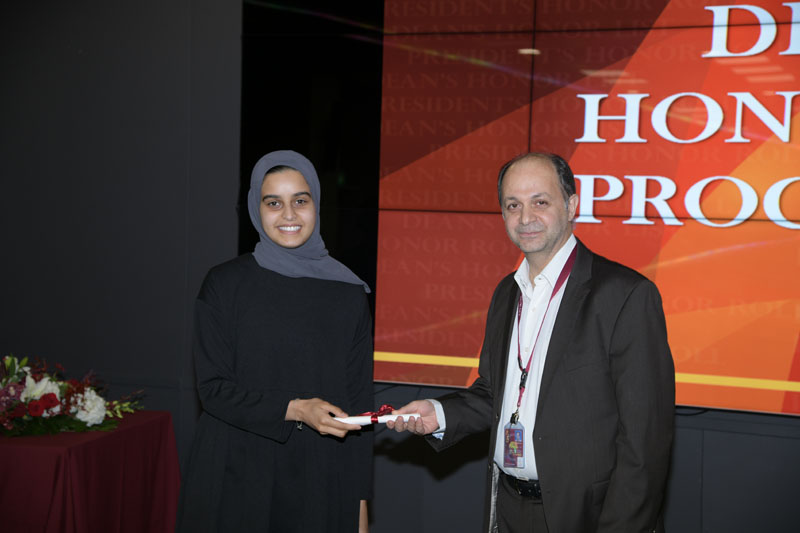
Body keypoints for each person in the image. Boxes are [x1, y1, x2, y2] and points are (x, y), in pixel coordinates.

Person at [388, 152, 675, 532]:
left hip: (586, 516)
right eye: (513, 205)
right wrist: (439, 414)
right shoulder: (506, 292)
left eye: (540, 202)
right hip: (507, 505)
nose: (525, 218)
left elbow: (645, 441)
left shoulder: (625, 295)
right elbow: (495, 393)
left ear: (571, 205)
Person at [176, 150, 374, 532]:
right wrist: (295, 409)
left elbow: (358, 405)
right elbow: (213, 390)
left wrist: (361, 503)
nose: (288, 215)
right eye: (273, 203)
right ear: (257, 208)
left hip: (318, 474)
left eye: (300, 200)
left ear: (316, 204)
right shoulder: (223, 285)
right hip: (235, 470)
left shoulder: (349, 293)